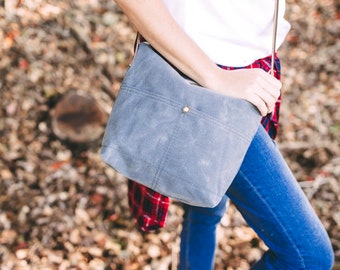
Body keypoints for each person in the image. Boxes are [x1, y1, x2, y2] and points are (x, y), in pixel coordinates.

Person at [112, 0, 334, 269]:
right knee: (307, 257)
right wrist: (215, 78)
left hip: (253, 72)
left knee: (207, 206)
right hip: (200, 81)